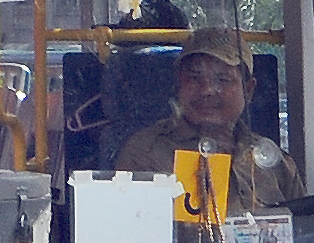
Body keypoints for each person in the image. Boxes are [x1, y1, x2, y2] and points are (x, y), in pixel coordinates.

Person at [117, 33, 300, 216]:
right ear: (179, 85)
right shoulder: (145, 153)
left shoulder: (276, 164)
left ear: (249, 90)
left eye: (223, 80)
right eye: (194, 78)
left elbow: (305, 234)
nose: (207, 90)